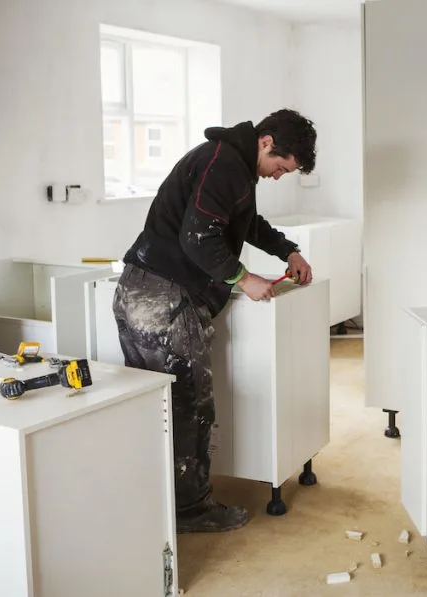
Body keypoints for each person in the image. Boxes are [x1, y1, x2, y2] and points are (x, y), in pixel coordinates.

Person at [113, 109, 317, 533]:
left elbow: (245, 224)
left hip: (141, 289)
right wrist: (245, 279)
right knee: (189, 406)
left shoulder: (232, 164)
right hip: (163, 297)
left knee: (156, 408)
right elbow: (199, 238)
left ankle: (156, 502)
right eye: (280, 167)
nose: (278, 176)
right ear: (266, 142)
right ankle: (190, 510)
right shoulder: (224, 163)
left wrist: (288, 251)